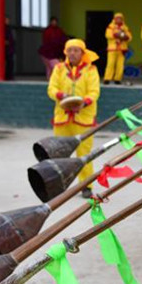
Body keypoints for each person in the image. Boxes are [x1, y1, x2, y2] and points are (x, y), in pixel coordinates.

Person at [47, 39, 101, 197]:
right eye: (69, 50)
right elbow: (51, 88)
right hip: (62, 118)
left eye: (76, 50)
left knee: (84, 154)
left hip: (83, 118)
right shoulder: (58, 68)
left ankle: (86, 186)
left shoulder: (91, 70)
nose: (72, 53)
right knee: (59, 154)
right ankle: (59, 185)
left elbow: (94, 92)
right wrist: (61, 96)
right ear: (65, 52)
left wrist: (83, 103)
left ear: (83, 53)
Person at [104, 12, 132, 85]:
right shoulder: (110, 26)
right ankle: (107, 78)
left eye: (120, 18)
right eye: (117, 18)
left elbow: (129, 37)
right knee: (110, 64)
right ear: (114, 19)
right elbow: (108, 35)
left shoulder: (125, 27)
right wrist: (117, 35)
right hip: (112, 48)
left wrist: (125, 37)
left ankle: (118, 79)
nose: (119, 19)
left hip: (122, 49)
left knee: (120, 65)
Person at [4, 16, 15, 81]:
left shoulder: (9, 28)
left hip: (10, 49)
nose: (7, 21)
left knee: (10, 63)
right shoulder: (2, 28)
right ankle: (7, 76)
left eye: (8, 20)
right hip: (5, 49)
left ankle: (10, 76)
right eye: (6, 20)